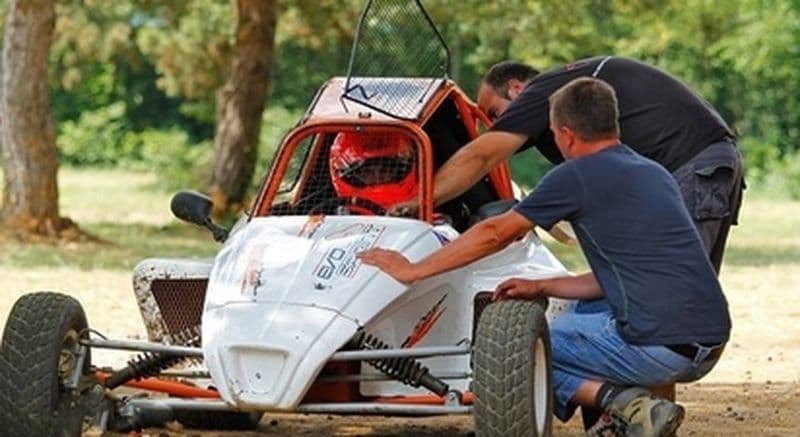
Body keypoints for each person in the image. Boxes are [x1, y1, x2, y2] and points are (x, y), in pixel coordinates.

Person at [360, 78, 731, 436]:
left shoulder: (575, 176)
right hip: (709, 341)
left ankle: (628, 405)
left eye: (552, 134)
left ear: (566, 134)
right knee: (579, 315)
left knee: (511, 354)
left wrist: (413, 270)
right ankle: (628, 417)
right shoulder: (654, 173)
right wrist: (542, 286)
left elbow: (495, 233)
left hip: (661, 349)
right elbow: (621, 276)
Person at [396, 56, 744, 273]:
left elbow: (482, 155)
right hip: (711, 162)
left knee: (674, 286)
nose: (492, 125)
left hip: (693, 164)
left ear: (516, 89)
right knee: (681, 286)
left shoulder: (545, 93)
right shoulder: (582, 125)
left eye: (493, 113)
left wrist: (417, 201)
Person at [328, 131, 418, 212]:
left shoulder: (421, 204)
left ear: (398, 171)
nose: (378, 179)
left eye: (385, 171)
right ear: (352, 178)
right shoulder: (331, 214)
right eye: (367, 173)